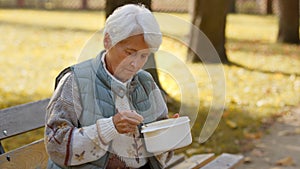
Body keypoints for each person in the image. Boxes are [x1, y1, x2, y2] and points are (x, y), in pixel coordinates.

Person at [44, 4, 178, 169]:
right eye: (129, 52)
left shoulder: (146, 82)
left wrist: (169, 135)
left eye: (144, 55)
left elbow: (160, 153)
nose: (135, 64)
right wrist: (110, 127)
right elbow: (55, 144)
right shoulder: (75, 81)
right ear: (108, 40)